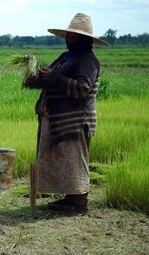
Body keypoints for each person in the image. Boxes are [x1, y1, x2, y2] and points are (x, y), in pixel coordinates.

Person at [28, 13, 108, 215]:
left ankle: (80, 205)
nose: (70, 40)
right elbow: (48, 78)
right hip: (57, 118)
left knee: (74, 162)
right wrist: (33, 68)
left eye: (74, 37)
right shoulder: (66, 57)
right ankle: (69, 199)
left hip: (76, 120)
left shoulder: (88, 61)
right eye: (68, 36)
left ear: (85, 40)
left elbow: (82, 89)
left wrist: (54, 77)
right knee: (64, 161)